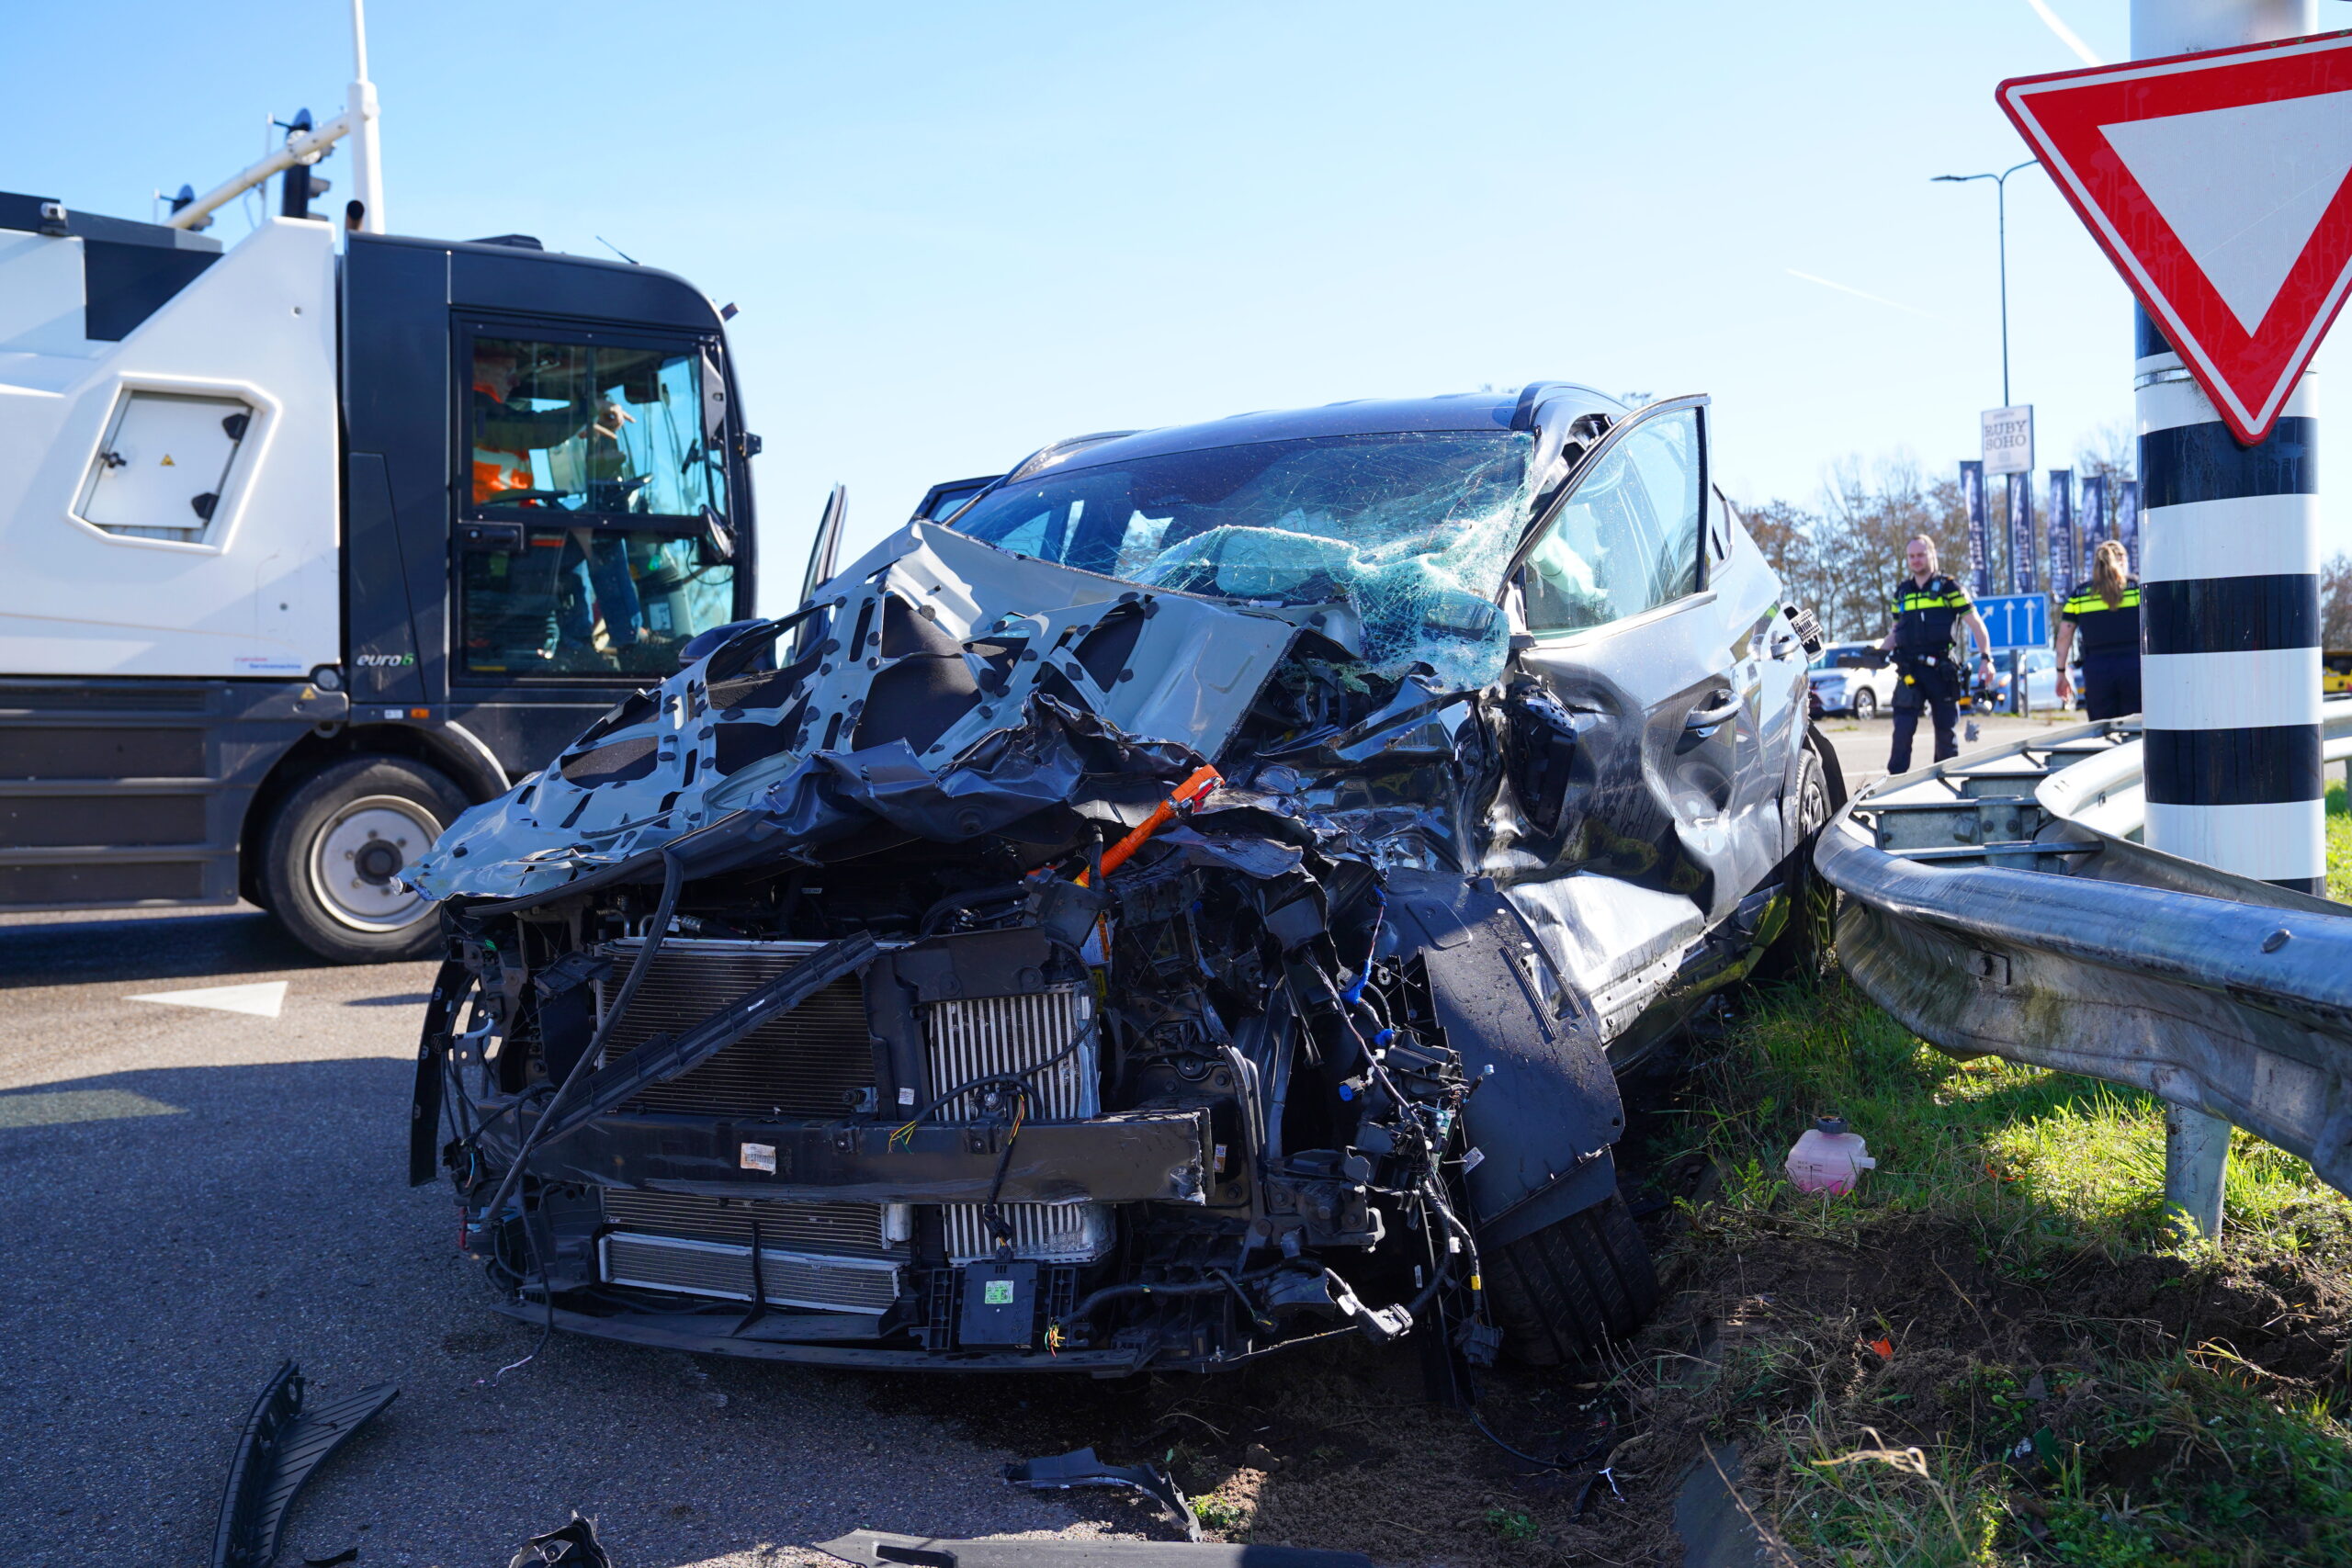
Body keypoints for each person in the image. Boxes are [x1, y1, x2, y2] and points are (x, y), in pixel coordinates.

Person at [1877, 536, 1996, 774]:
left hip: (1941, 670)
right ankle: (1894, 785)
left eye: (1921, 555)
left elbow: (1976, 625)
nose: (1916, 560)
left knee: (1946, 733)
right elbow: (1895, 633)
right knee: (1902, 729)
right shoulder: (1902, 592)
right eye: (1911, 556)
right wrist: (1876, 654)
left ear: (1932, 555)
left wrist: (1987, 659)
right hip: (1909, 671)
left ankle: (1946, 782)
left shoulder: (1950, 588)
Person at [2055, 539, 2142, 719]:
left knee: (2102, 729)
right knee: (2136, 728)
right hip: (2135, 667)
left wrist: (2061, 673)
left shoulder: (2079, 595)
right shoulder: (2137, 588)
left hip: (2097, 669)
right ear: (2122, 560)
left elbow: (2064, 636)